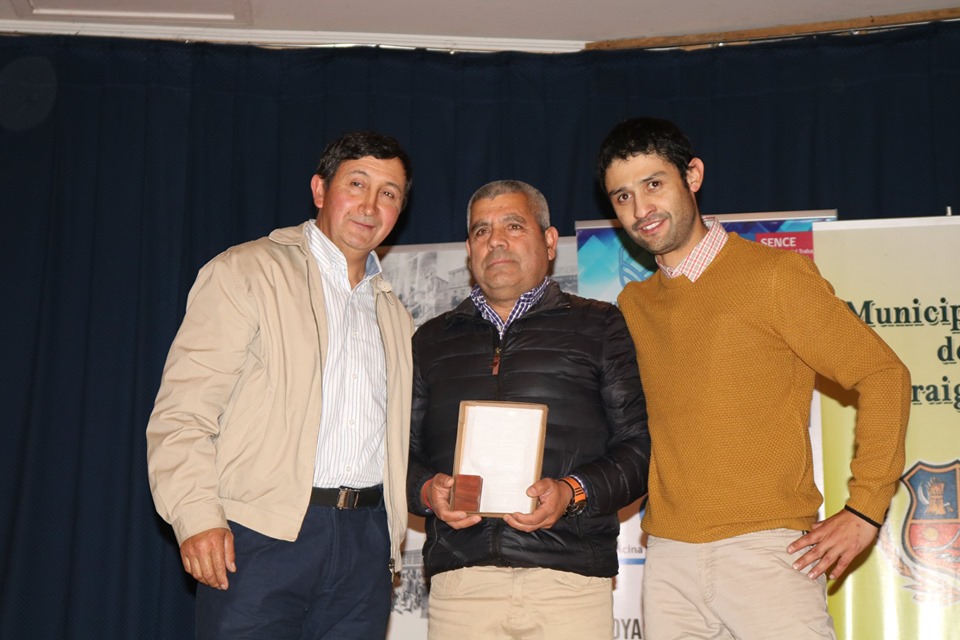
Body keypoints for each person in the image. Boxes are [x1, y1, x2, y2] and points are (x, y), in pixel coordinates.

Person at [596, 116, 911, 640]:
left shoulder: (774, 276)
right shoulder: (633, 305)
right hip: (668, 560)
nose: (641, 209)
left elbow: (883, 374)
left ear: (692, 176)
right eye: (622, 196)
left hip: (768, 551)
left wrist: (866, 509)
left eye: (653, 184)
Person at [146, 131, 415, 639]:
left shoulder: (394, 314)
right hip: (258, 535)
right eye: (357, 184)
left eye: (389, 193)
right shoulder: (245, 272)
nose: (370, 205)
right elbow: (182, 413)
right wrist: (196, 516)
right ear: (320, 190)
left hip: (365, 544)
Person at [407, 179, 650, 640]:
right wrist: (424, 490)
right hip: (461, 586)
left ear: (550, 241)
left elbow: (639, 448)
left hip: (569, 582)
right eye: (481, 231)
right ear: (469, 250)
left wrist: (571, 492)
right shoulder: (430, 340)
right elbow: (398, 453)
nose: (495, 240)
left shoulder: (600, 325)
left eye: (513, 226)